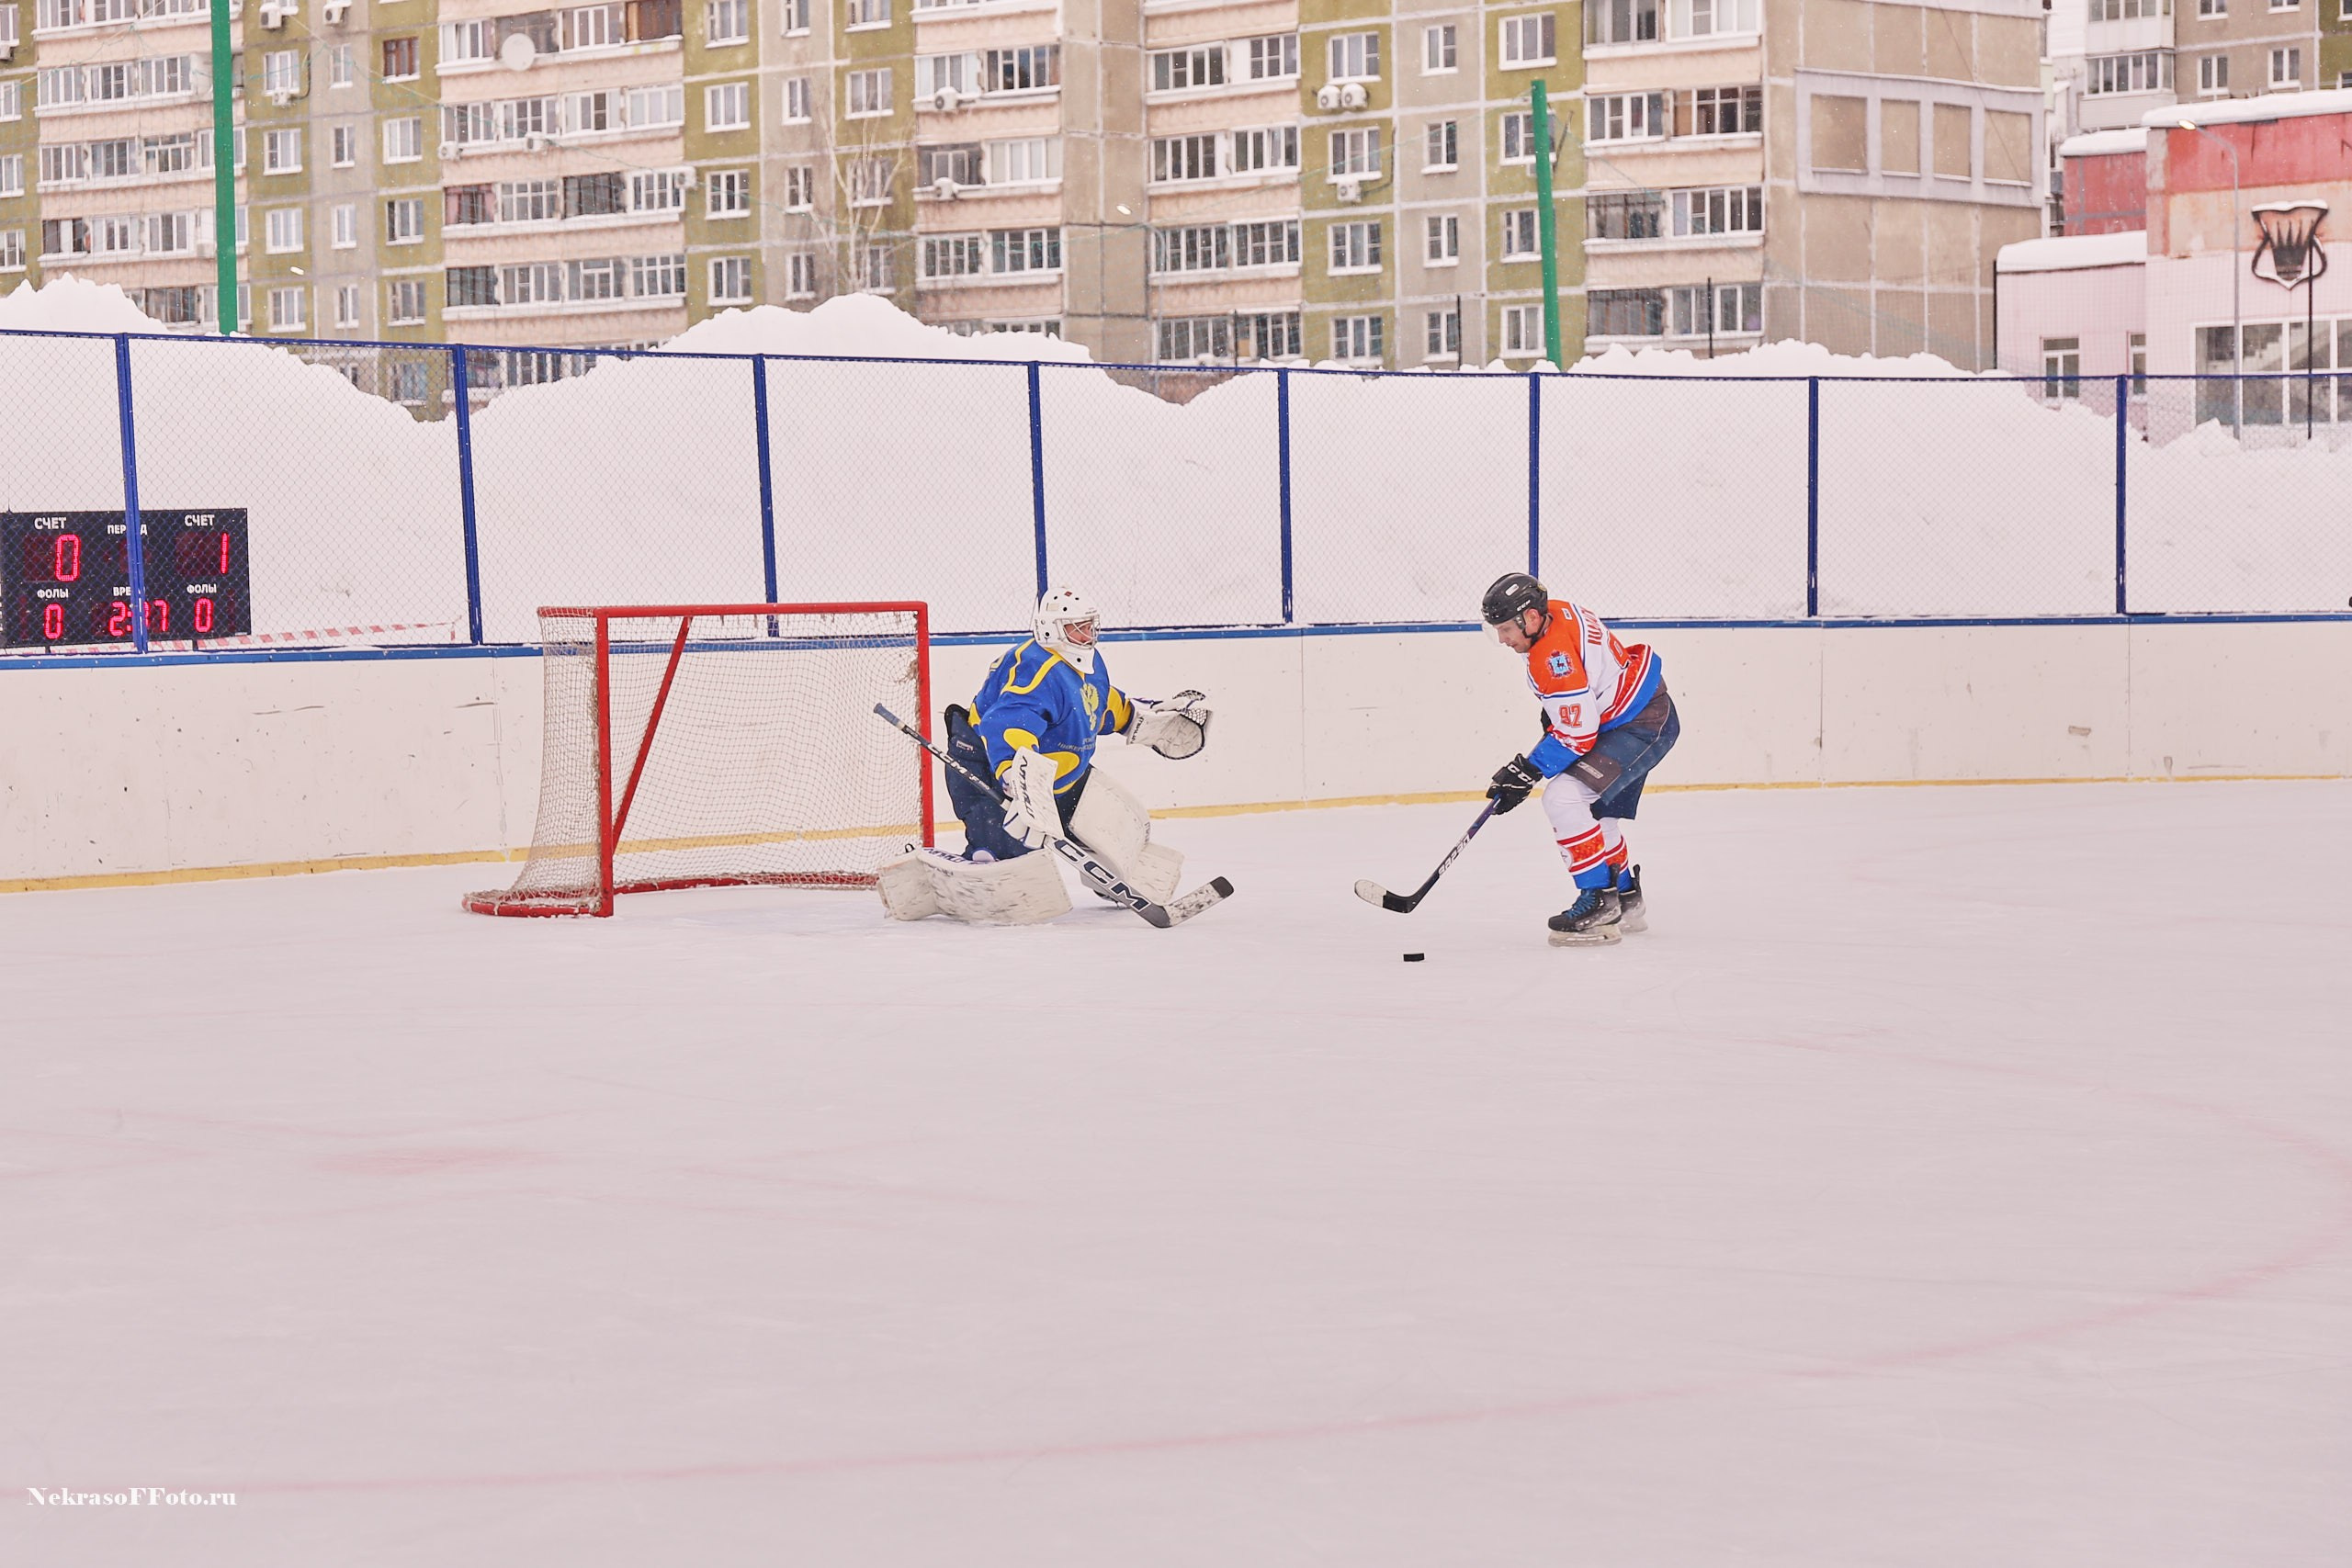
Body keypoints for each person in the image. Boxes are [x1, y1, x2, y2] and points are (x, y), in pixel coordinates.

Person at [876, 587, 1213, 924]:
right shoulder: (1037, 668)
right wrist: (1015, 777)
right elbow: (1008, 725)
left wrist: (1141, 718)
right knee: (1003, 858)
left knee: (1115, 825)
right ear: (1051, 629)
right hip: (991, 767)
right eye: (1076, 627)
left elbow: (1098, 702)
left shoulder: (1086, 661)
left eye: (1089, 625)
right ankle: (956, 872)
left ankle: (1112, 880)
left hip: (1058, 772)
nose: (1087, 634)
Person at [1479, 572, 1680, 947]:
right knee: (1592, 810)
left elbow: (1578, 732)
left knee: (1564, 799)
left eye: (1507, 629)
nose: (1504, 640)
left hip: (1639, 725)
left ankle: (1599, 904)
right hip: (1641, 712)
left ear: (1532, 618)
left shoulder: (1549, 656)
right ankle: (1624, 897)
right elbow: (1584, 690)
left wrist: (1527, 770)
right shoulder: (1557, 610)